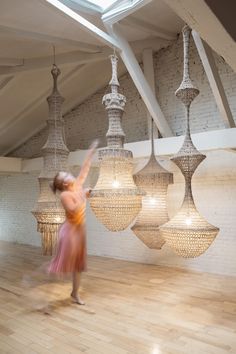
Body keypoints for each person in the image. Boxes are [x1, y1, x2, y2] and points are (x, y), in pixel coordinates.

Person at [48, 140, 98, 305]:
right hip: (70, 232)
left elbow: (84, 170)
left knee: (78, 265)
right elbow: (73, 209)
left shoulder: (76, 185)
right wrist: (84, 194)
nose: (69, 174)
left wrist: (90, 152)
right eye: (66, 174)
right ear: (64, 183)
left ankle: (74, 293)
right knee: (66, 263)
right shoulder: (65, 196)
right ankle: (49, 280)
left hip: (79, 230)